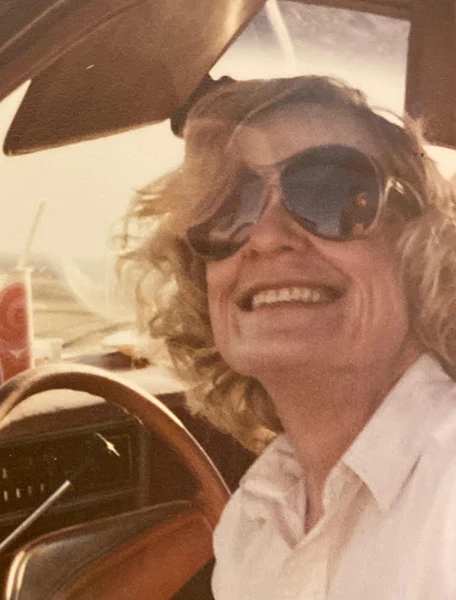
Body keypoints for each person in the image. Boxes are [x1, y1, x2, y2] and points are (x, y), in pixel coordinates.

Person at [120, 75, 456, 598]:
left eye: (332, 194)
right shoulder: (255, 516)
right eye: (226, 209)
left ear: (422, 250)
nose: (265, 237)